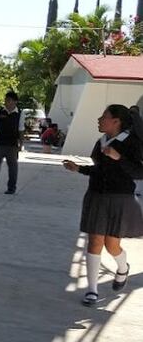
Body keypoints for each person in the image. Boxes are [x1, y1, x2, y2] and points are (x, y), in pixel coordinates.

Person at [62, 104, 143, 306]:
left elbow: (139, 173)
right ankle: (92, 290)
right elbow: (98, 170)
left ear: (117, 121)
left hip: (120, 199)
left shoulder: (132, 143)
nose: (99, 119)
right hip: (96, 196)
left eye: (104, 116)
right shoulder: (101, 142)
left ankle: (123, 268)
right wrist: (79, 168)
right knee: (95, 242)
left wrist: (119, 158)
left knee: (111, 245)